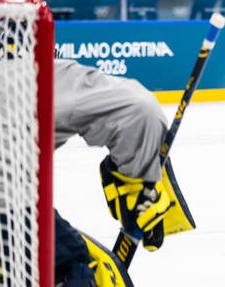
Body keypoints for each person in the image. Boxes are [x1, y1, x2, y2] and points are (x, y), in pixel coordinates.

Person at [52, 58, 196, 286]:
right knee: (73, 268)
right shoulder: (34, 75)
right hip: (6, 217)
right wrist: (139, 182)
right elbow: (139, 109)